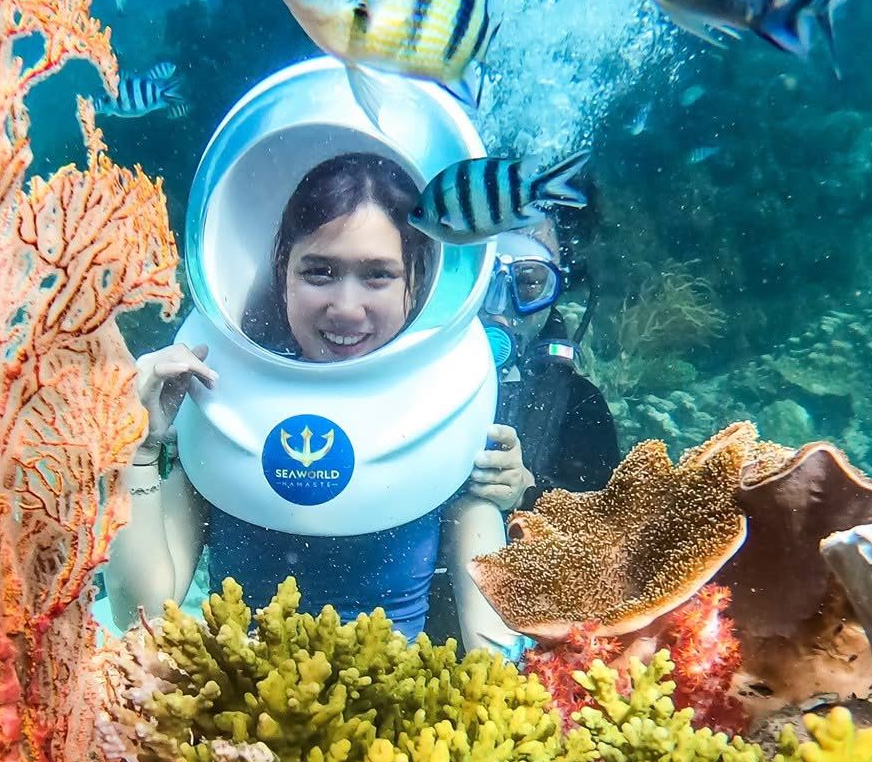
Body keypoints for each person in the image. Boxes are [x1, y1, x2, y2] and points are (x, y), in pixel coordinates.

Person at [104, 151, 519, 653]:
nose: (346, 308)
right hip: (230, 714)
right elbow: (139, 616)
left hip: (397, 721)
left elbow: (493, 652)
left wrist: (504, 493)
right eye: (319, 272)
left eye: (378, 275)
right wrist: (140, 449)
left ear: (418, 278)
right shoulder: (218, 389)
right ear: (283, 271)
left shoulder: (448, 402)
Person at [464, 217, 622, 513]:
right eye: (482, 279)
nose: (498, 307)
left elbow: (602, 527)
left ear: (557, 288)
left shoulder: (581, 406)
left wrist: (527, 492)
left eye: (528, 283)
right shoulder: (404, 369)